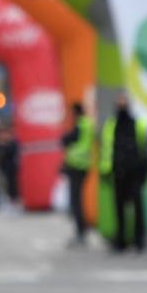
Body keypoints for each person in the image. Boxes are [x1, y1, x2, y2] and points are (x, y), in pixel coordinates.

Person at [101, 94, 147, 252]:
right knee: (119, 208)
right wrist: (106, 170)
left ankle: (139, 241)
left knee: (137, 208)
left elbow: (146, 149)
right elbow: (106, 148)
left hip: (135, 173)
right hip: (118, 172)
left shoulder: (139, 124)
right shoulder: (110, 125)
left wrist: (145, 171)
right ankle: (121, 241)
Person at [61, 103, 93, 245]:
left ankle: (81, 232)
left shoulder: (81, 125)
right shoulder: (86, 124)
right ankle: (81, 231)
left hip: (77, 167)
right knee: (77, 200)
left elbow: (67, 139)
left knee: (76, 201)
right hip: (81, 166)